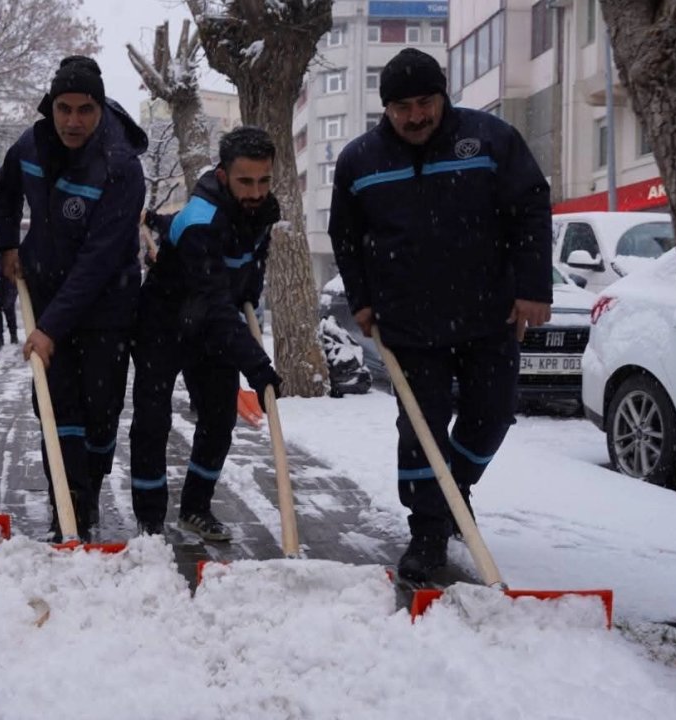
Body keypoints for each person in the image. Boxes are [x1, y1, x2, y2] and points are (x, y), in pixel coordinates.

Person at [328, 48, 552, 581]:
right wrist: (361, 299)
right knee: (420, 428)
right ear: (386, 109)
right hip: (407, 322)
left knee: (492, 415)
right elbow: (346, 237)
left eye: (425, 102)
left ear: (442, 95)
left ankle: (455, 489)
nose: (415, 116)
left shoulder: (490, 140)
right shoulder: (360, 161)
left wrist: (531, 287)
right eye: (401, 107)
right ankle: (427, 531)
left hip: (488, 315)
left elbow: (530, 209)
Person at [0, 56, 147, 541]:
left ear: (100, 109)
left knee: (100, 412)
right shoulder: (31, 145)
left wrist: (48, 328)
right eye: (64, 108)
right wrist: (6, 243)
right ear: (50, 106)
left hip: (107, 304)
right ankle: (68, 506)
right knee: (56, 409)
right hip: (44, 290)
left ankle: (89, 486)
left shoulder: (120, 166)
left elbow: (98, 262)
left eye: (84, 109)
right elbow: (4, 186)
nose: (73, 121)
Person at [128, 126, 283, 540]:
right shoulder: (201, 220)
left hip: (212, 325)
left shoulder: (264, 209)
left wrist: (249, 288)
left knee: (218, 417)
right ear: (222, 175)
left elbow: (250, 262)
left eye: (264, 181)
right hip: (164, 321)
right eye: (245, 181)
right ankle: (149, 520)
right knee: (152, 418)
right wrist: (257, 364)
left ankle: (195, 507)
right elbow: (213, 299)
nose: (255, 192)